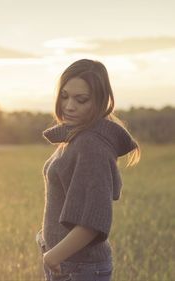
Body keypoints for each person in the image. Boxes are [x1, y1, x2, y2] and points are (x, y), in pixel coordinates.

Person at [36, 59, 141, 281]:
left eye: (81, 99)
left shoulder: (91, 145)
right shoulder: (76, 137)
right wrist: (46, 237)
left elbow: (93, 221)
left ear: (101, 102)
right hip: (70, 263)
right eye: (64, 96)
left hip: (78, 267)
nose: (69, 106)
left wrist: (52, 257)